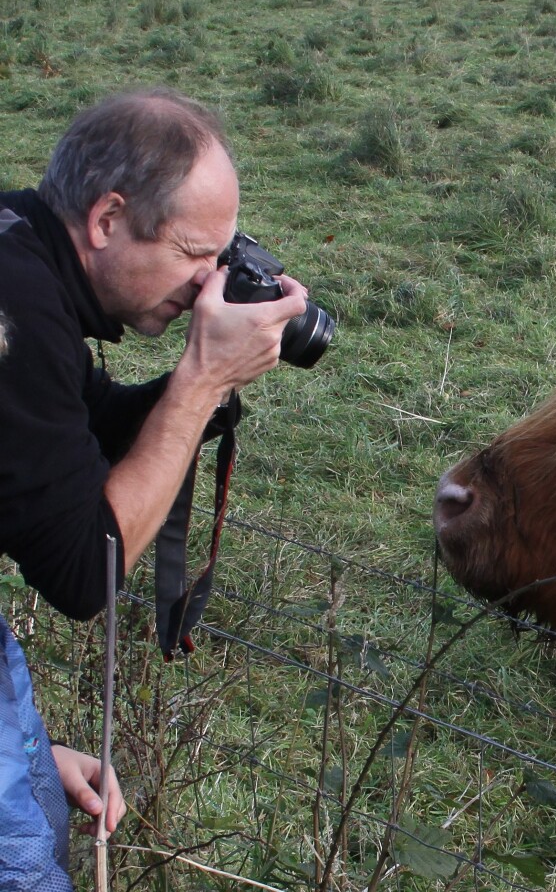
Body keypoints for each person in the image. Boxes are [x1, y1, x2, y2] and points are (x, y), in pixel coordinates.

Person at [0, 88, 308, 886]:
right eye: (194, 255)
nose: (209, 282)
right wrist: (201, 382)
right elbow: (81, 570)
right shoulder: (16, 312)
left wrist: (208, 384)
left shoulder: (17, 247)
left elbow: (85, 423)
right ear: (107, 220)